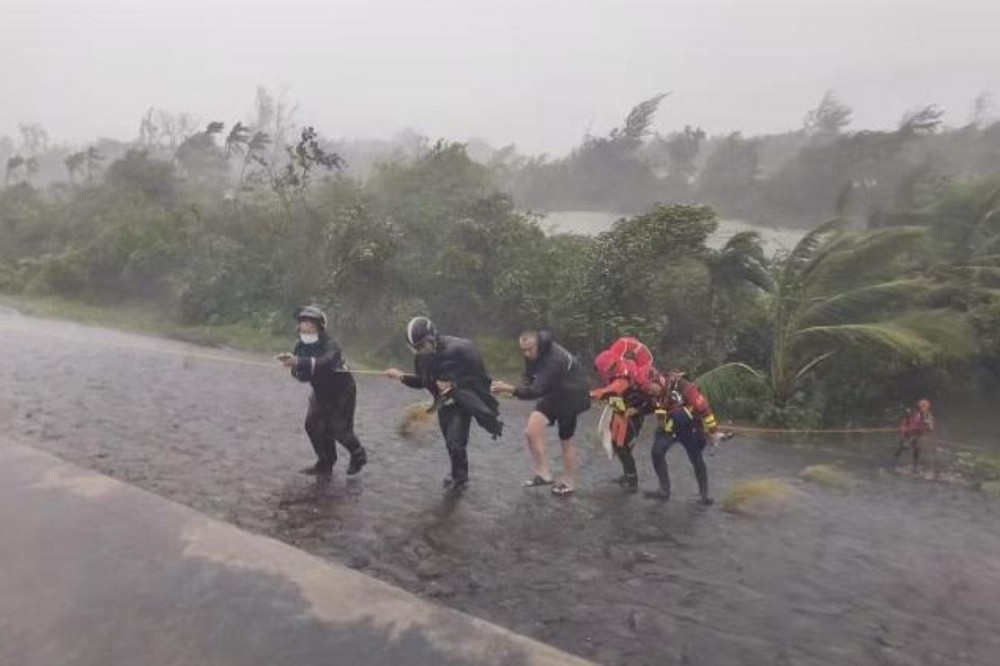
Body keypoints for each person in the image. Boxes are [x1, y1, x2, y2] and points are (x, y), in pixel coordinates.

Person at [384, 316, 503, 491]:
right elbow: (423, 382)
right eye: (416, 348)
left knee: (456, 441)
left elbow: (480, 380)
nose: (421, 350)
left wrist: (454, 384)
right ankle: (457, 472)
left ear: (433, 335)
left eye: (423, 345)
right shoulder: (421, 358)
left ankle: (461, 480)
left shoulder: (463, 349)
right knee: (450, 442)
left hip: (463, 402)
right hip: (443, 403)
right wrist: (401, 376)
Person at [491, 330, 591, 497]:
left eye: (530, 349)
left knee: (565, 439)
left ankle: (569, 482)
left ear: (538, 344)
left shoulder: (554, 360)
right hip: (554, 392)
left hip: (572, 396)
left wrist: (509, 389)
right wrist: (524, 384)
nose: (526, 354)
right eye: (523, 350)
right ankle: (543, 474)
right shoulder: (533, 351)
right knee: (531, 431)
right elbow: (530, 377)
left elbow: (535, 392)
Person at [277, 305, 367, 476]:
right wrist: (295, 368)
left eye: (310, 324)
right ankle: (326, 462)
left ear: (319, 327)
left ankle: (358, 455)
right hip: (320, 392)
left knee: (340, 430)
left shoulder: (331, 345)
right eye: (303, 323)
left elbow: (324, 362)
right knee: (313, 425)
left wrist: (299, 362)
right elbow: (301, 376)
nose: (305, 327)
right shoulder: (300, 347)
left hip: (342, 392)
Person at [590, 337, 658, 492]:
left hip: (635, 409)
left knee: (624, 445)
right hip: (622, 406)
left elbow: (615, 389)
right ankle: (627, 474)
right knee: (616, 442)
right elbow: (612, 392)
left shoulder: (626, 372)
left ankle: (633, 480)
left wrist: (592, 393)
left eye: (611, 368)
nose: (610, 370)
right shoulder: (616, 368)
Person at [645, 371, 721, 504]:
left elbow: (703, 407)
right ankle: (664, 490)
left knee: (697, 460)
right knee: (656, 452)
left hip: (690, 427)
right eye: (648, 390)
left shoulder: (682, 385)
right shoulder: (653, 394)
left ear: (660, 383)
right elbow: (650, 408)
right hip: (669, 427)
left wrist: (713, 431)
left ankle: (704, 496)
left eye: (652, 389)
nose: (650, 392)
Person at [894, 398, 934, 473]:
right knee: (904, 446)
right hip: (908, 433)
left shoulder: (928, 415)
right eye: (921, 407)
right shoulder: (911, 413)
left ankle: (915, 464)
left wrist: (927, 425)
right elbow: (904, 423)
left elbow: (931, 428)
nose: (922, 409)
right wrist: (902, 429)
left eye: (924, 407)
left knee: (917, 448)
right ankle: (896, 458)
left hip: (918, 435)